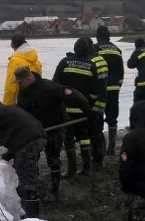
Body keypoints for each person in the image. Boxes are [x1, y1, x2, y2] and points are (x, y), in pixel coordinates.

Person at [15, 66, 92, 204]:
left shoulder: (48, 87)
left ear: (29, 78)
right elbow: (21, 111)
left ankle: (55, 191)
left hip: (55, 126)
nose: (19, 84)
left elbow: (71, 92)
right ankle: (35, 187)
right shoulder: (23, 92)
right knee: (31, 157)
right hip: (36, 129)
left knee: (53, 158)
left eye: (20, 82)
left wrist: (87, 110)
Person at [0, 99, 46, 218]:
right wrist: (7, 157)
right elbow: (16, 135)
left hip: (29, 141)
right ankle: (32, 198)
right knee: (25, 168)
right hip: (38, 136)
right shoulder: (8, 111)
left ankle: (32, 215)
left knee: (26, 175)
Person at [53, 37, 107, 176]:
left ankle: (71, 170)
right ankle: (86, 167)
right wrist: (95, 111)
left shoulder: (64, 62)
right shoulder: (92, 66)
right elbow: (100, 92)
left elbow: (55, 85)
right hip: (84, 111)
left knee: (68, 138)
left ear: (75, 48)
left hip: (65, 110)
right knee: (84, 137)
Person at [94, 26, 125, 155]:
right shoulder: (116, 49)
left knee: (98, 115)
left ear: (97, 36)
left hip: (100, 88)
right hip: (114, 87)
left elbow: (93, 67)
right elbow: (121, 71)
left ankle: (100, 146)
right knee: (112, 117)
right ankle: (111, 147)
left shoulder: (95, 48)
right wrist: (118, 85)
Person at [3, 34, 42, 106]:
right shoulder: (36, 60)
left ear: (14, 45)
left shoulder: (15, 61)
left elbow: (11, 86)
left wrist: (7, 106)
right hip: (37, 102)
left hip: (22, 102)